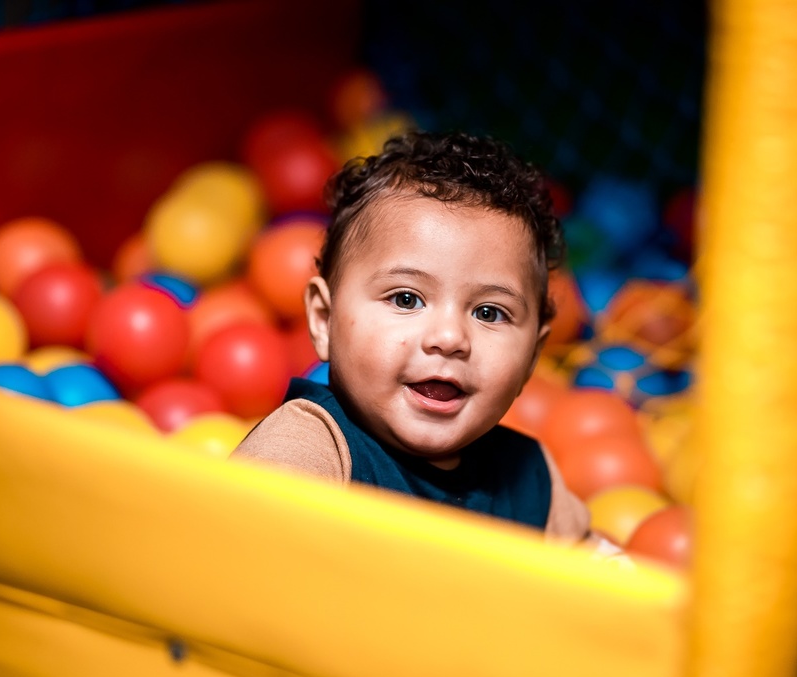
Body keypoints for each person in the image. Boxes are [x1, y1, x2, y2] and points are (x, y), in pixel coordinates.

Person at [231, 129, 622, 558]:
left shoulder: (530, 480)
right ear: (324, 321)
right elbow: (233, 567)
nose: (450, 339)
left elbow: (594, 576)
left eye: (489, 312)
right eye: (406, 299)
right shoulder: (312, 449)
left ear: (532, 356)